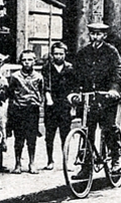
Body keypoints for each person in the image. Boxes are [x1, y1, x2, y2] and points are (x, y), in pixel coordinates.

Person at [70, 22, 121, 177]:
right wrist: (74, 93)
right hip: (89, 99)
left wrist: (114, 89)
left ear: (104, 36)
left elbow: (118, 71)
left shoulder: (111, 52)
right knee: (87, 131)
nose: (95, 37)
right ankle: (86, 167)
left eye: (98, 34)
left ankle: (116, 158)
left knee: (108, 128)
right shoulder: (83, 53)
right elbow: (76, 75)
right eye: (93, 34)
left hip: (107, 98)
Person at [7, 49, 44, 174]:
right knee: (19, 138)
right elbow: (11, 93)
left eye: (30, 60)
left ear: (34, 61)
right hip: (19, 110)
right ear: (20, 61)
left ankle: (32, 163)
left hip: (32, 110)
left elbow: (41, 93)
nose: (27, 62)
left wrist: (38, 103)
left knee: (32, 138)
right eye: (24, 60)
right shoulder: (15, 76)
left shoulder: (38, 77)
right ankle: (17, 163)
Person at [41, 41, 75, 170]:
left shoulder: (70, 68)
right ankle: (50, 160)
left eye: (61, 54)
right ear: (52, 54)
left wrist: (72, 106)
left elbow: (73, 87)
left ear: (65, 54)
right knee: (50, 135)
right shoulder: (47, 68)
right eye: (55, 54)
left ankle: (66, 161)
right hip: (51, 104)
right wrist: (48, 99)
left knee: (65, 134)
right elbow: (45, 86)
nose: (58, 56)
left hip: (65, 104)